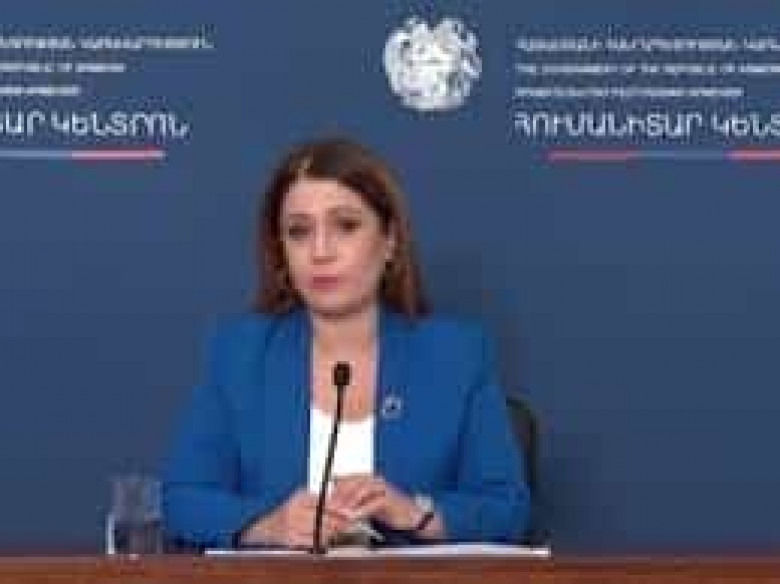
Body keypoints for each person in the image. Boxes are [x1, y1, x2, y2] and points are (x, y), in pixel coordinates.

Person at [162, 137, 530, 550]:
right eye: (299, 232)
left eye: (346, 226)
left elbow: (507, 508)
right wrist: (270, 525)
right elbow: (183, 500)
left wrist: (415, 511)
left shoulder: (455, 355)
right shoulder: (240, 353)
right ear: (281, 252)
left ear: (389, 240)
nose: (320, 251)